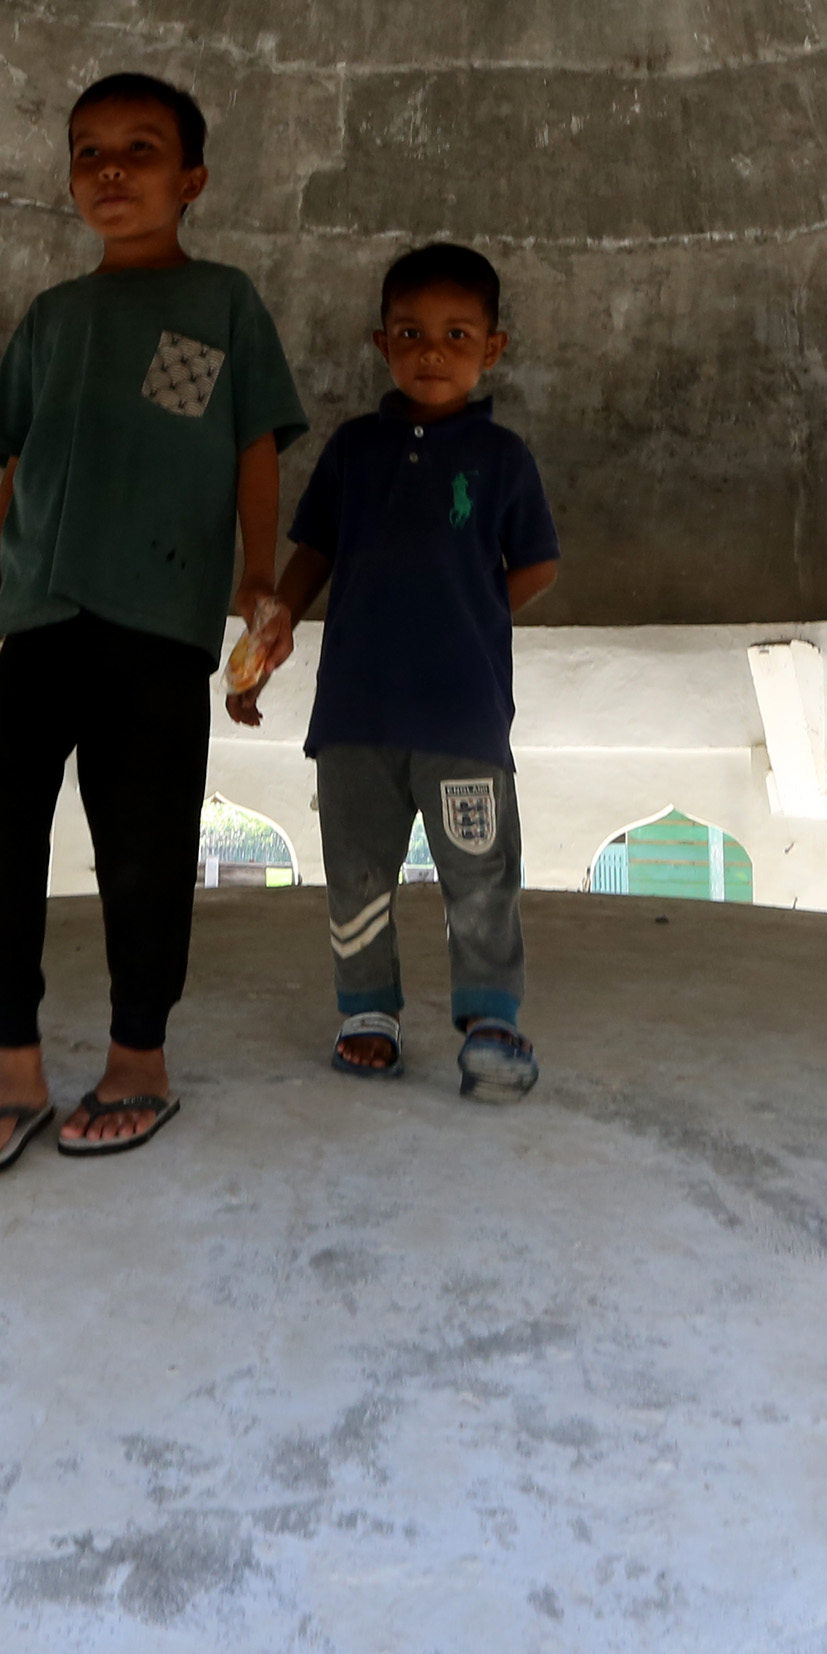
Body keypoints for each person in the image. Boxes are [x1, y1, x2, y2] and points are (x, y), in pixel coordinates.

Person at [0, 74, 306, 1176]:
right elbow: (17, 465)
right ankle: (12, 1064)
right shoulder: (51, 318)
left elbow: (248, 443)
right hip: (40, 615)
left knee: (143, 849)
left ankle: (137, 1059)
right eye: (87, 151)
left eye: (139, 150)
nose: (110, 170)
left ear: (189, 181)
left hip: (159, 623)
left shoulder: (221, 302)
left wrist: (256, 584)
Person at [232, 242, 560, 1100]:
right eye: (411, 333)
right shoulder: (354, 449)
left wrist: (467, 616)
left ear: (493, 348)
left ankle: (491, 1019)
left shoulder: (502, 459)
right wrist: (270, 638)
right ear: (381, 343)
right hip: (356, 715)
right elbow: (314, 555)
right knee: (358, 870)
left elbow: (535, 566)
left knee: (480, 876)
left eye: (457, 334)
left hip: (463, 721)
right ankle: (366, 1012)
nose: (431, 351)